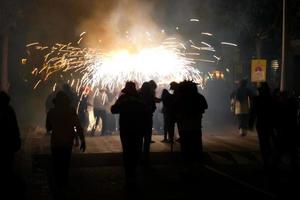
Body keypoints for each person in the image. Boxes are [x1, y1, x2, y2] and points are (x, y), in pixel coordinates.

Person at [46, 91, 85, 198]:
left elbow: (48, 128)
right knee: (65, 164)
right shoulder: (71, 111)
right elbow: (78, 125)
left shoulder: (51, 112)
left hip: (55, 142)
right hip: (67, 142)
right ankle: (64, 187)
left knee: (57, 165)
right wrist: (82, 140)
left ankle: (58, 188)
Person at [111, 82, 145, 187]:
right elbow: (145, 110)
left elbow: (113, 110)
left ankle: (128, 174)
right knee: (136, 150)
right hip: (137, 129)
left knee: (127, 150)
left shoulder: (123, 99)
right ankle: (134, 172)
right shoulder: (139, 98)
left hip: (125, 129)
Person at [175, 81, 208, 165]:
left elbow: (175, 109)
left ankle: (186, 161)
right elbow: (205, 107)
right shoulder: (199, 97)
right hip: (195, 125)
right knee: (196, 143)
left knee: (185, 144)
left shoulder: (181, 98)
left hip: (184, 125)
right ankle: (197, 160)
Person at [249, 82, 276, 170]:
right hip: (270, 123)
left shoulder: (258, 99)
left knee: (263, 142)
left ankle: (266, 161)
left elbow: (253, 112)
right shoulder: (272, 99)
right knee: (269, 141)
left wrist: (251, 123)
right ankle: (271, 159)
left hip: (261, 123)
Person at [0, 91, 21, 192]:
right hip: (8, 143)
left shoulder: (9, 111)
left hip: (6, 143)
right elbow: (14, 127)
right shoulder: (10, 110)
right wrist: (17, 139)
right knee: (8, 163)